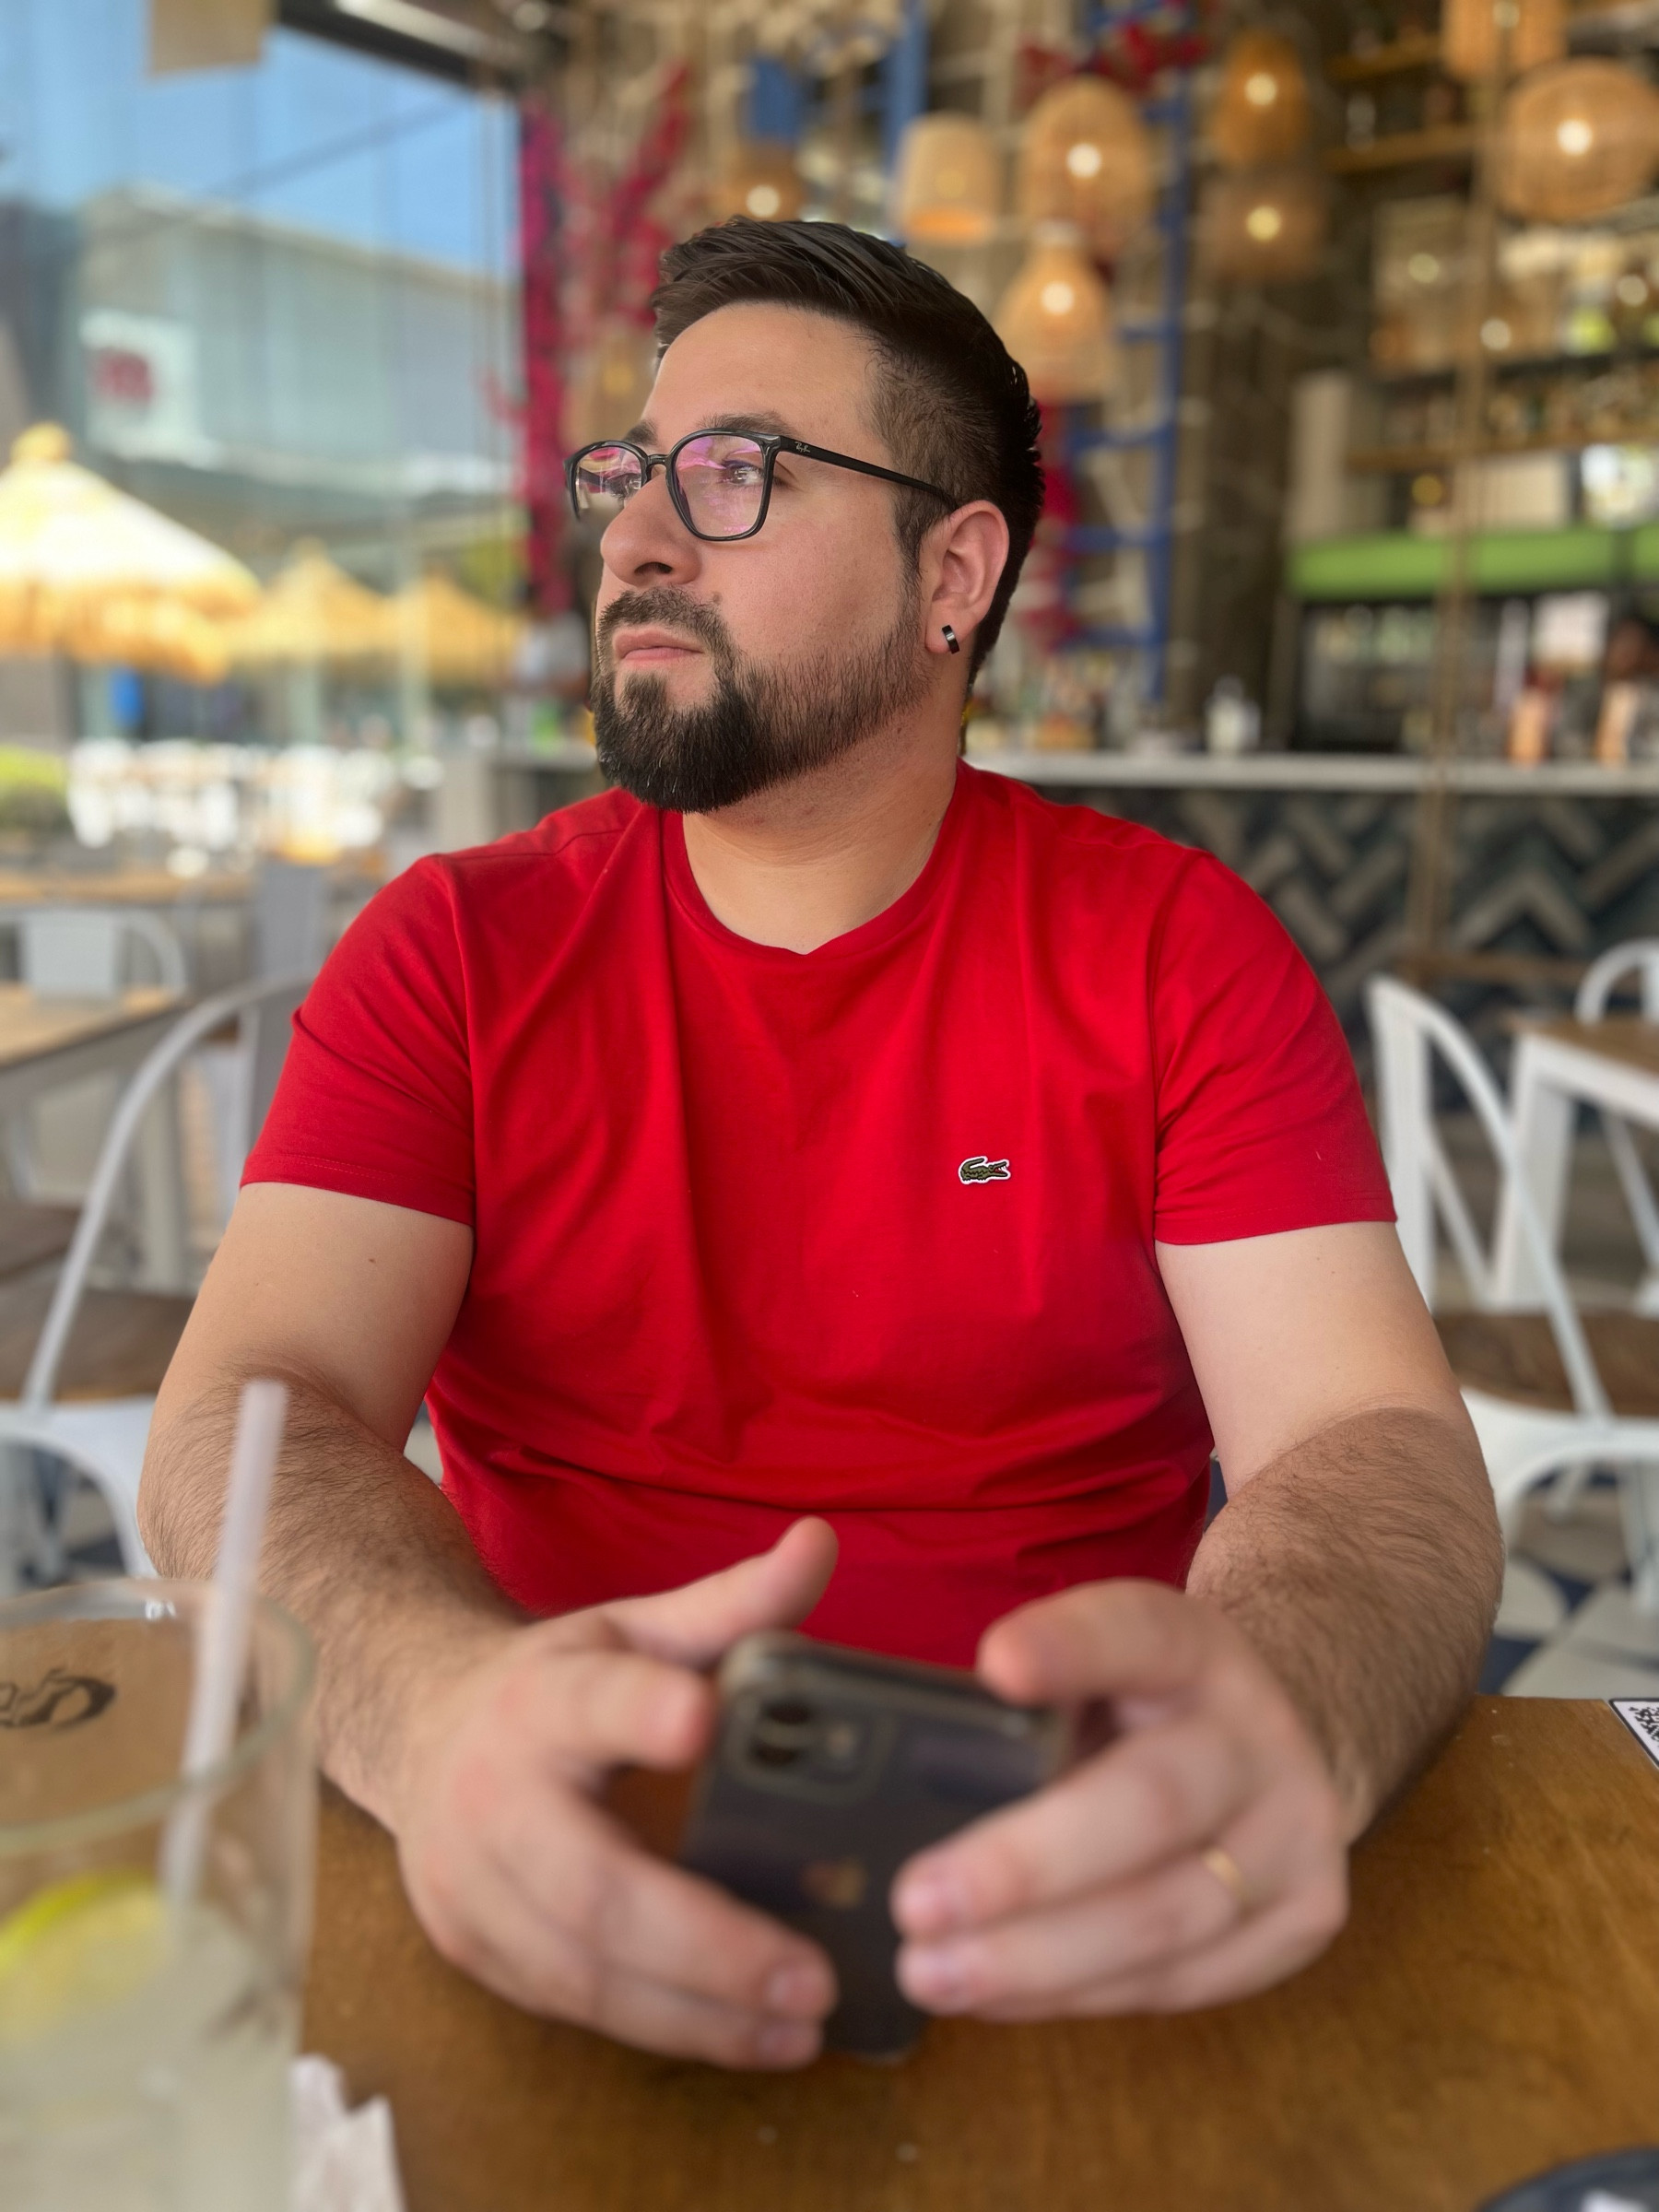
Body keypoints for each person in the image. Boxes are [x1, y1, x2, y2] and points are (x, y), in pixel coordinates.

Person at [140, 218, 1501, 2071]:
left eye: (736, 474)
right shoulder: (453, 954)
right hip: (543, 1847)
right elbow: (245, 1416)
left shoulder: (1171, 954)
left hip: (1089, 1883)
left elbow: (1371, 1445)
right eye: (630, 472)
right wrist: (427, 1706)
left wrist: (1284, 1707)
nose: (635, 536)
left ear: (954, 573)